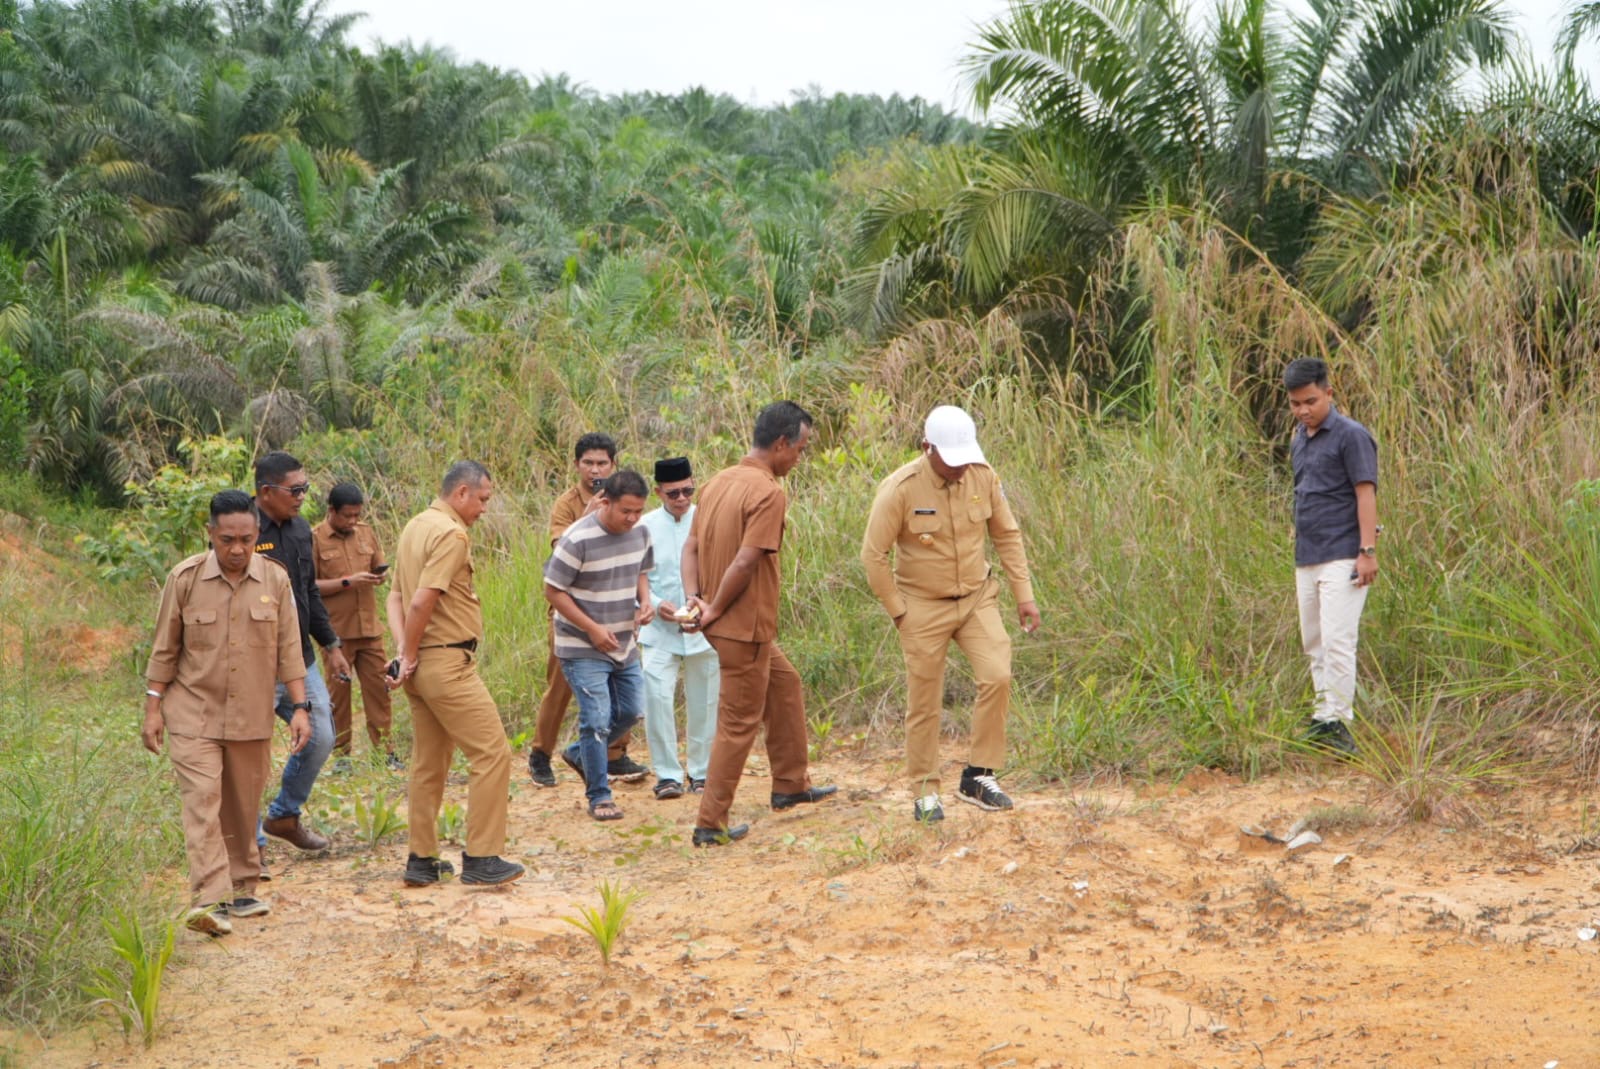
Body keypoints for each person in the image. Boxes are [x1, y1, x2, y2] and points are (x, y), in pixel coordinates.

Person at [860, 406, 1041, 823]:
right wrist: (899, 612)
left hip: (977, 597)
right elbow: (873, 555)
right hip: (921, 606)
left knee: (997, 674)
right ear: (927, 448)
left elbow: (1007, 534)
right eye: (951, 460)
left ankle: (979, 775)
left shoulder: (982, 475)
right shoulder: (900, 488)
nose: (960, 469)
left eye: (965, 458)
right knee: (925, 699)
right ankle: (925, 790)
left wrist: (1024, 595)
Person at [143, 490, 311, 936]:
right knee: (202, 801)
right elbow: (164, 649)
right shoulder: (184, 579)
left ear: (257, 534)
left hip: (250, 714)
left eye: (246, 540)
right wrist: (153, 709)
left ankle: (242, 888)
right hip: (192, 712)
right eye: (227, 540)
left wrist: (299, 707)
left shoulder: (275, 581)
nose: (237, 550)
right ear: (211, 535)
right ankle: (208, 899)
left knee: (241, 805)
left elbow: (289, 650)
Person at [681, 401, 836, 847]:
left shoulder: (717, 482)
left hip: (730, 623)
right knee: (738, 723)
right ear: (782, 443)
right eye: (801, 449)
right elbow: (747, 560)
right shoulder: (768, 492)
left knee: (785, 684)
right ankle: (710, 822)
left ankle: (790, 784)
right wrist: (711, 608)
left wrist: (696, 598)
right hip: (742, 627)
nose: (800, 459)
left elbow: (690, 547)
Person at [387, 461, 524, 886]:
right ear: (461, 493)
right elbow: (419, 602)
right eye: (483, 499)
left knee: (429, 763)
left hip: (422, 666)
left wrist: (404, 656)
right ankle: (483, 857)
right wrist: (408, 653)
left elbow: (394, 597)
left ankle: (421, 860)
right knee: (492, 753)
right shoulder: (450, 534)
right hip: (446, 663)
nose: (485, 508)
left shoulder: (416, 525)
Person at [527, 433, 649, 788]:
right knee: (561, 686)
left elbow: (638, 556)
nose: (595, 470)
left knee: (619, 683)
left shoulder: (625, 500)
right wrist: (589, 515)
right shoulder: (567, 503)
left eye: (602, 463)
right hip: (573, 613)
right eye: (588, 463)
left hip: (613, 608)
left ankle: (613, 754)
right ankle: (540, 753)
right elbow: (560, 552)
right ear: (576, 465)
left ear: (613, 464)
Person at [543, 470, 656, 821]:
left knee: (631, 710)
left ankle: (580, 753)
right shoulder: (577, 538)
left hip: (623, 641)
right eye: (626, 511)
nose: (633, 518)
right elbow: (553, 590)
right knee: (596, 719)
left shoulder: (640, 531)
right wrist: (591, 628)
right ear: (605, 501)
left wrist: (645, 601)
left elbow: (641, 569)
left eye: (639, 510)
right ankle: (600, 796)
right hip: (582, 645)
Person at [253, 450, 351, 857]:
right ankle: (249, 840)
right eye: (295, 490)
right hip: (256, 663)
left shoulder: (298, 531)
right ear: (265, 492)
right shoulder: (243, 531)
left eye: (305, 489)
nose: (302, 497)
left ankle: (284, 816)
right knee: (250, 751)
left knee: (322, 736)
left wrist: (331, 646)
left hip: (300, 657)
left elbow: (308, 591)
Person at [1285, 357, 1378, 757]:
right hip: (1308, 554)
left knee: (1339, 640)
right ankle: (1324, 718)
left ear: (1329, 393)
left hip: (1344, 552)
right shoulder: (1299, 438)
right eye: (1295, 403)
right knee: (1315, 641)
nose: (1304, 410)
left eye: (1310, 401)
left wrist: (1367, 552)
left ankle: (1341, 723)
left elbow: (1365, 493)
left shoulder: (1350, 435)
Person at [638, 457, 719, 799]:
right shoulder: (642, 526)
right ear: (658, 492)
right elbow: (634, 577)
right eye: (674, 493)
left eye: (688, 490)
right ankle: (668, 775)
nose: (682, 498)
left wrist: (705, 608)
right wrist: (657, 606)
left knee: (705, 701)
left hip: (704, 626)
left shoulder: (709, 519)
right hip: (659, 628)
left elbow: (721, 569)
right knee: (656, 698)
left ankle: (701, 772)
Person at [312, 481, 400, 772]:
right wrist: (348, 582)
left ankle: (384, 753)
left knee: (379, 691)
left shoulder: (365, 532)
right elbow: (309, 586)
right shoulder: (315, 539)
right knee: (338, 696)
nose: (352, 521)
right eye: (347, 515)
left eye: (356, 515)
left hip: (370, 629)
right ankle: (342, 757)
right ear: (332, 511)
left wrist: (376, 577)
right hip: (337, 634)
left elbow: (380, 565)